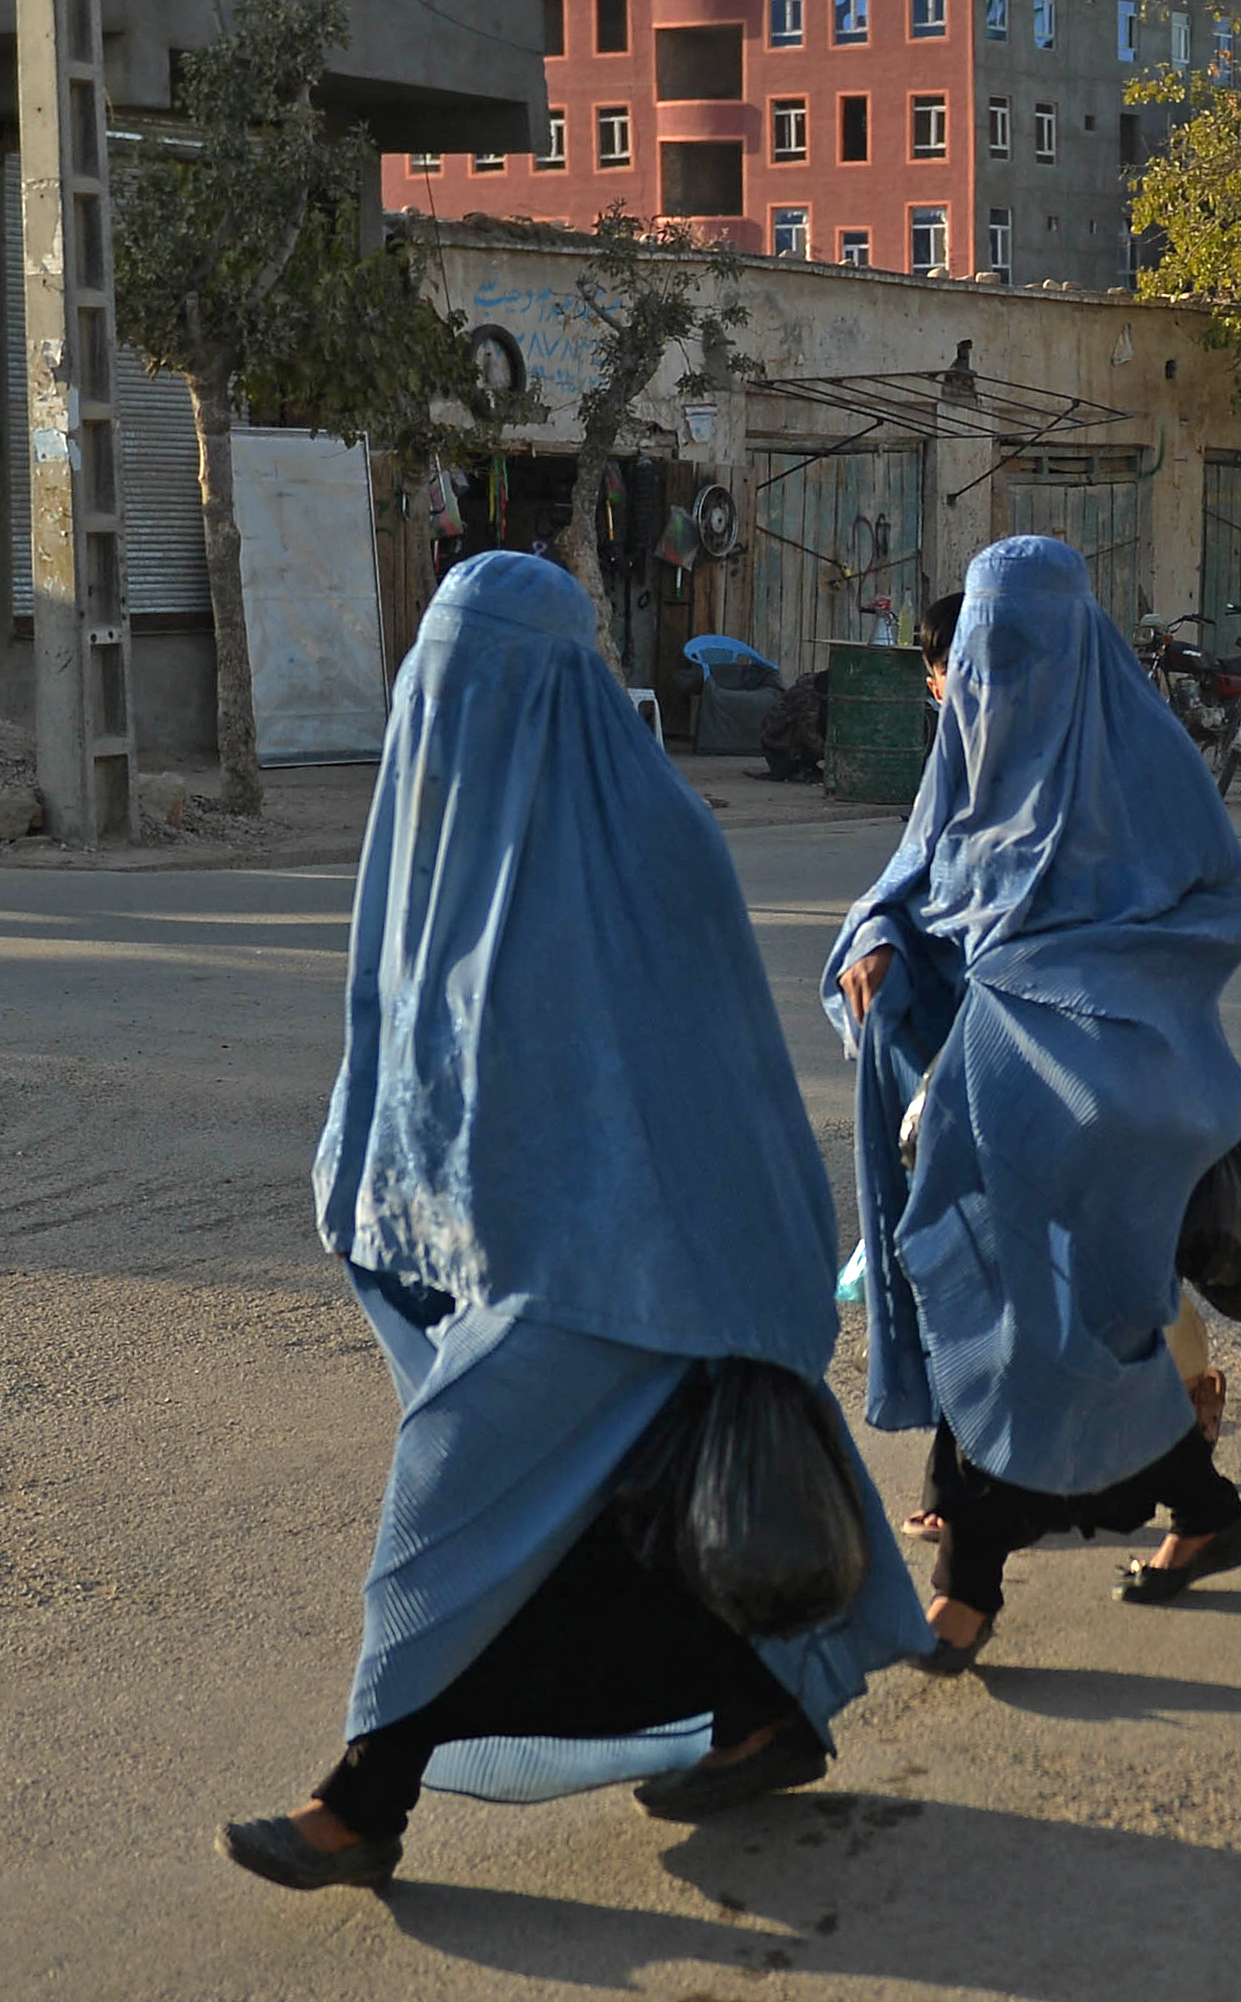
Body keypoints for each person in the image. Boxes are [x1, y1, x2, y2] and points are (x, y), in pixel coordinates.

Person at [219, 552, 925, 1894]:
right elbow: (412, 1042)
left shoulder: (650, 835)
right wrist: (374, 1183)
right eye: (432, 678)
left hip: (645, 1258)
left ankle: (365, 1795)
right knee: (608, 1528)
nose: (447, 708)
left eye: (473, 681)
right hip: (535, 1254)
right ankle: (757, 1705)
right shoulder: (446, 829)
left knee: (455, 1495)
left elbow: (711, 1083)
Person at [830, 536, 1241, 1672]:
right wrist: (877, 938)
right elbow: (915, 880)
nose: (996, 676)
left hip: (1111, 1109)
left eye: (1021, 649)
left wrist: (1060, 991)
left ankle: (967, 1585)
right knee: (1032, 1325)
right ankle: (1198, 1504)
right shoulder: (969, 755)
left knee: (1049, 1333)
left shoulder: (1144, 766)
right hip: (982, 1107)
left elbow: (1213, 913)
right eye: (984, 649)